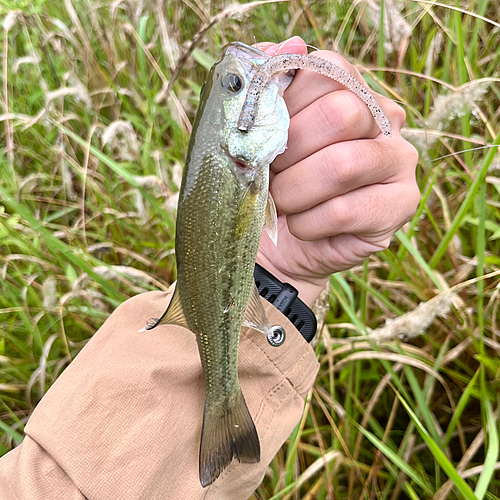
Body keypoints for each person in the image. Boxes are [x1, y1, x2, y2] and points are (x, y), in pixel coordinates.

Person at [0, 37, 418, 499]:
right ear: (233, 136)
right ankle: (224, 400)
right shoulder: (239, 166)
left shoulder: (244, 165)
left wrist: (276, 277)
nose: (251, 78)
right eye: (237, 84)